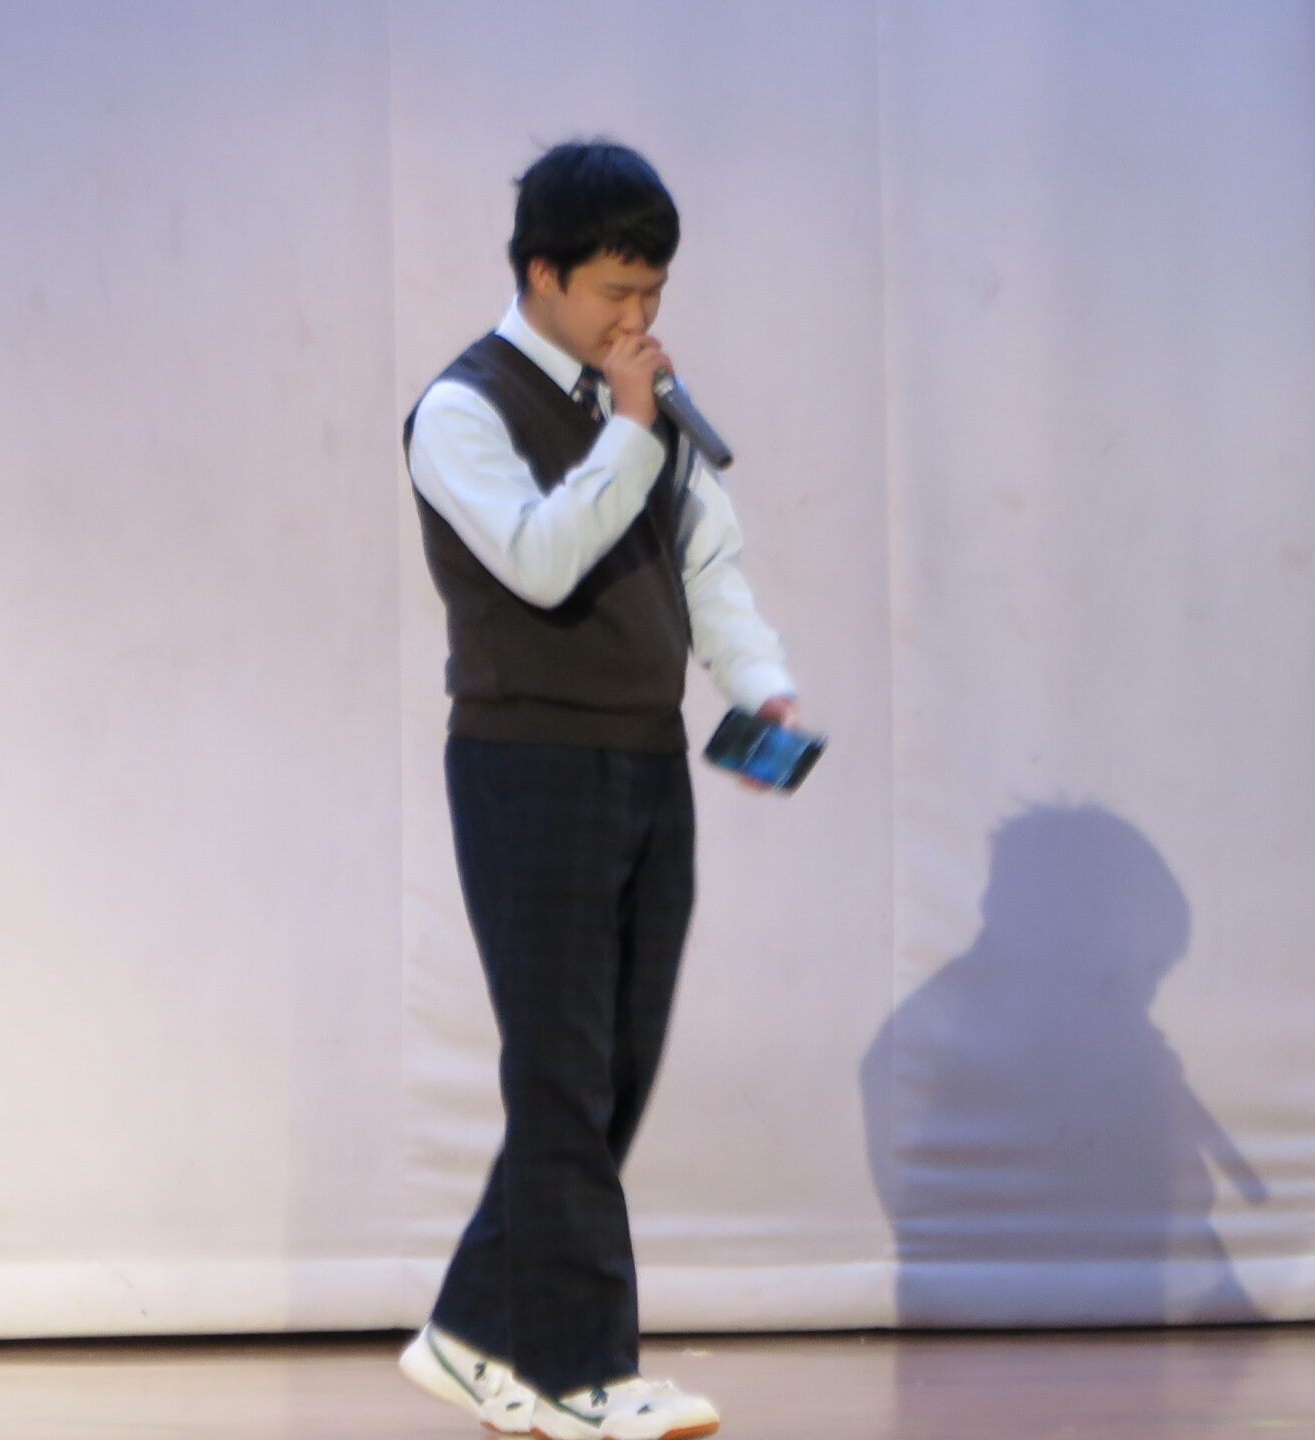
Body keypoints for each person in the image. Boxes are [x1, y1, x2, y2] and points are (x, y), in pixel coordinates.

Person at [393, 140, 799, 1440]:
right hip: (527, 765)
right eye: (617, 291)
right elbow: (540, 560)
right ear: (542, 273)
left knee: (614, 1068)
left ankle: (471, 1333)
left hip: (647, 757)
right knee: (560, 1073)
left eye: (655, 292)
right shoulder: (461, 409)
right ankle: (581, 1376)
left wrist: (758, 686)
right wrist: (628, 426)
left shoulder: (649, 410)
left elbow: (708, 564)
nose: (639, 317)